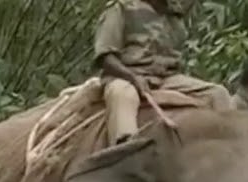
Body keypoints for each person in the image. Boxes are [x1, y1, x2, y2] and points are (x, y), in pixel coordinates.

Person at [94, 0, 232, 146]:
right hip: (127, 75)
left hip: (167, 78)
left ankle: (232, 144)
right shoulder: (122, 7)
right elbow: (105, 57)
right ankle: (124, 148)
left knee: (218, 94)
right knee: (122, 96)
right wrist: (133, 78)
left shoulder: (174, 12)